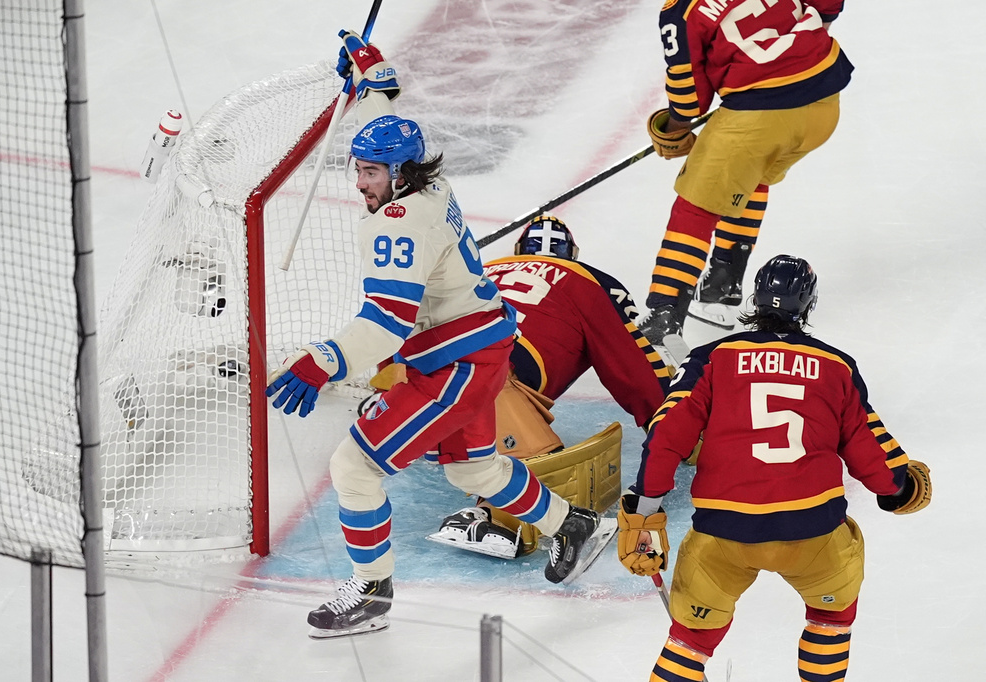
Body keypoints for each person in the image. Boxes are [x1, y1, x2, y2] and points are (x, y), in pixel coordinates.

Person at [265, 31, 607, 639]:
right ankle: (573, 526)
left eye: (370, 172)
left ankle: (370, 591)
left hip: (455, 364)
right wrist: (370, 79)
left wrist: (322, 362)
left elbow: (386, 322)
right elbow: (393, 125)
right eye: (359, 168)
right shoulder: (429, 183)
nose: (359, 182)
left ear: (398, 176)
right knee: (474, 474)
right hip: (480, 346)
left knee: (353, 466)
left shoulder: (399, 222)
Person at [616, 255, 932, 681]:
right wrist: (899, 486)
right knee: (830, 619)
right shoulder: (836, 366)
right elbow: (869, 449)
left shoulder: (711, 357)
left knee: (690, 640)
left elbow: (667, 434)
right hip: (813, 534)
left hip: (723, 533)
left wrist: (646, 508)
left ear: (756, 298)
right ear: (808, 304)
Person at [426, 215, 673, 557]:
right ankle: (497, 515)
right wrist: (672, 420)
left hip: (422, 372)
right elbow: (632, 360)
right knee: (493, 385)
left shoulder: (484, 268)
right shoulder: (591, 280)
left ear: (516, 250)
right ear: (573, 254)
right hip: (494, 377)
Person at [637, 0, 854, 345]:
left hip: (759, 118)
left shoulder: (680, 10)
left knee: (695, 207)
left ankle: (665, 315)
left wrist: (674, 128)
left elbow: (689, 98)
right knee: (751, 176)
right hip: (825, 101)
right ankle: (722, 286)